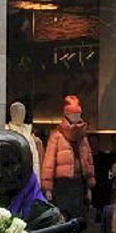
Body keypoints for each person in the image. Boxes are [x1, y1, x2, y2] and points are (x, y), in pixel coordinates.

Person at [41, 95, 96, 223]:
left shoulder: (82, 137)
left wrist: (89, 184)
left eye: (78, 114)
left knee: (80, 217)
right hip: (63, 184)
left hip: (80, 182)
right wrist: (48, 187)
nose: (76, 117)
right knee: (64, 217)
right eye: (73, 114)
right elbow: (49, 163)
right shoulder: (57, 136)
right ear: (67, 114)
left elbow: (88, 161)